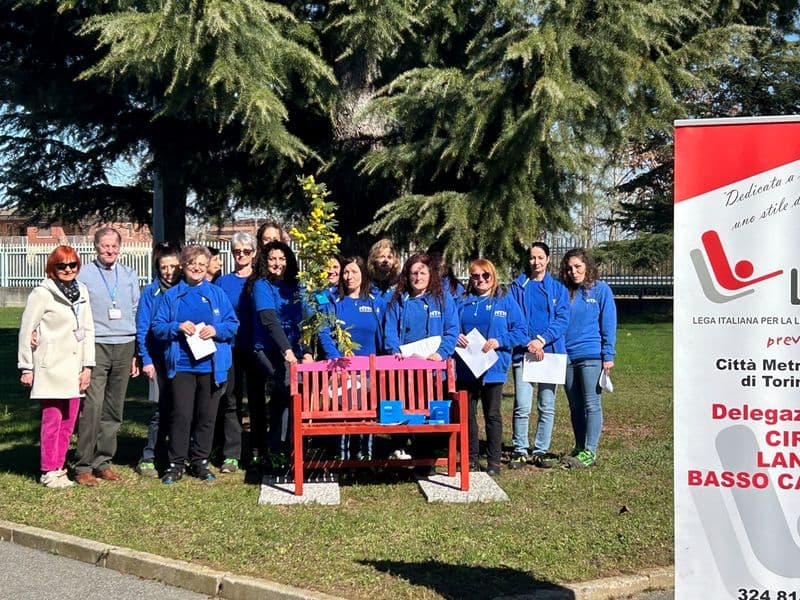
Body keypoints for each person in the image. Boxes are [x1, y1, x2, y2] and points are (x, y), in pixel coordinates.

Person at [152, 245, 239, 483]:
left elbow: (233, 324)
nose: (197, 268)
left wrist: (217, 329)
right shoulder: (171, 296)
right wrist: (176, 327)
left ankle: (200, 460)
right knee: (181, 415)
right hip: (182, 365)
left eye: (202, 263)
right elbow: (157, 327)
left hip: (211, 366)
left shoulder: (216, 293)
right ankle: (175, 463)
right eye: (192, 263)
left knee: (206, 416)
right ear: (183, 265)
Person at [18, 246, 95, 488]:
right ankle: (48, 470)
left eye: (72, 265)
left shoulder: (81, 291)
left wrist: (87, 366)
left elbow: (87, 330)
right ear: (53, 267)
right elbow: (26, 329)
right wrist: (26, 367)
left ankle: (59, 466)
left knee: (69, 421)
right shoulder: (41, 293)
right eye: (62, 265)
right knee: (52, 420)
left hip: (74, 366)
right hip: (50, 366)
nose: (68, 270)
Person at [74, 227, 140, 486]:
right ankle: (83, 465)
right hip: (96, 345)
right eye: (104, 246)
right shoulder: (85, 275)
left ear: (120, 248)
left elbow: (135, 309)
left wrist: (136, 352)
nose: (110, 250)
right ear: (96, 247)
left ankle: (104, 461)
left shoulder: (128, 274)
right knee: (92, 407)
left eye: (114, 246)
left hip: (124, 345)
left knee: (114, 408)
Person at [384, 252, 459, 463]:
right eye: (413, 273)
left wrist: (440, 354)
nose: (418, 277)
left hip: (433, 368)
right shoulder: (397, 300)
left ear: (430, 274)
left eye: (422, 272)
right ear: (407, 276)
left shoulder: (442, 299)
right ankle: (398, 450)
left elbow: (452, 330)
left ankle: (425, 459)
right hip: (403, 367)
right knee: (404, 406)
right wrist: (394, 351)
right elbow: (389, 330)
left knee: (428, 413)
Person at [455, 259, 526, 476]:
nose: (481, 280)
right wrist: (456, 336)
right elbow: (450, 328)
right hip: (465, 368)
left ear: (493, 275)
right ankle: (471, 459)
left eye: (485, 275)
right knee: (467, 416)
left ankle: (494, 462)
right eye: (475, 276)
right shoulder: (463, 301)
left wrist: (500, 341)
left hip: (492, 369)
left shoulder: (504, 301)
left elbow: (522, 331)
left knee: (492, 415)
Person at [508, 242, 570, 469]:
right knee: (522, 405)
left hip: (550, 353)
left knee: (547, 405)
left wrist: (542, 340)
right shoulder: (516, 287)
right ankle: (520, 449)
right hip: (524, 353)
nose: (536, 262)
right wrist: (528, 343)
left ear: (548, 259)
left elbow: (562, 320)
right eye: (532, 257)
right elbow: (514, 319)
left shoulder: (558, 290)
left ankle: (541, 450)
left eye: (540, 257)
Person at [250, 240, 310, 469]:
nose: (277, 263)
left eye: (282, 258)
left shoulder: (295, 286)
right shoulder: (262, 285)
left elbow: (306, 320)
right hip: (268, 348)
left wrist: (306, 351)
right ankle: (278, 448)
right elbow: (269, 321)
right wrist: (287, 351)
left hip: (294, 350)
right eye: (273, 258)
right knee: (286, 387)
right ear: (266, 261)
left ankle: (293, 445)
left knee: (292, 394)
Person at [318, 256, 385, 460]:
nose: (349, 276)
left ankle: (366, 455)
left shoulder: (376, 302)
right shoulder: (332, 300)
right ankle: (343, 456)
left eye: (354, 272)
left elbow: (384, 335)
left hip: (369, 372)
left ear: (363, 274)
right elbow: (324, 332)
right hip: (341, 371)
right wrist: (337, 362)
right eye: (346, 272)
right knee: (345, 410)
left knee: (367, 410)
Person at [558, 248, 616, 469]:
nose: (574, 272)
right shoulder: (564, 291)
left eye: (578, 267)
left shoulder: (601, 291)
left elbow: (608, 324)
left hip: (591, 355)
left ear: (588, 267)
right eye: (570, 268)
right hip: (566, 356)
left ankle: (590, 451)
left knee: (592, 404)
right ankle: (580, 446)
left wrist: (608, 354)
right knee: (575, 405)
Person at [134, 242, 181, 478]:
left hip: (182, 360)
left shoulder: (185, 290)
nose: (169, 272)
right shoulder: (150, 293)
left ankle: (176, 455)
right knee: (159, 410)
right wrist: (146, 359)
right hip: (158, 359)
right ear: (157, 268)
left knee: (180, 409)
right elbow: (142, 328)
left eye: (173, 266)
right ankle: (149, 456)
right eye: (164, 267)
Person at [213, 232, 257, 473]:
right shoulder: (223, 282)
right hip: (229, 347)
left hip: (256, 346)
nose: (241, 255)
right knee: (230, 400)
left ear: (254, 253)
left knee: (258, 400)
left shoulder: (260, 280)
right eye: (237, 251)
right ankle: (232, 454)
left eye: (246, 251)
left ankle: (259, 449)